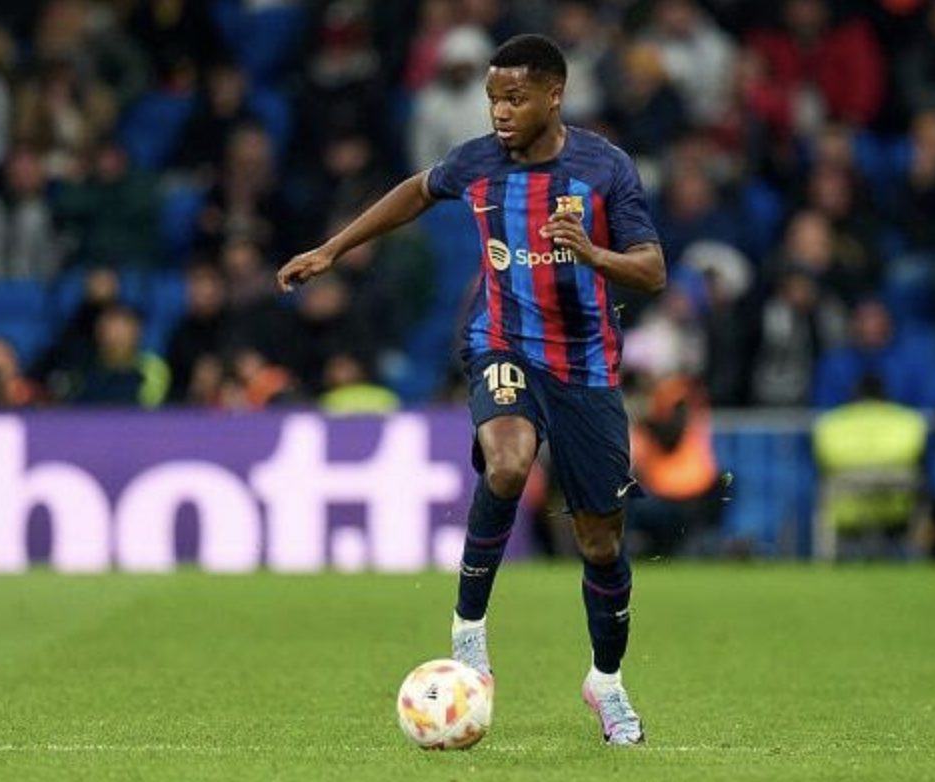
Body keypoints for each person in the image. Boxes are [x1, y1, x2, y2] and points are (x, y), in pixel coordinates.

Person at [277, 34, 665, 746]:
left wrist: (593, 253)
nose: (500, 112)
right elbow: (415, 192)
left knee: (600, 542)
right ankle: (468, 632)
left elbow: (652, 270)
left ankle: (606, 684)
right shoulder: (476, 162)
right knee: (509, 463)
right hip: (500, 340)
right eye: (492, 99)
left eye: (514, 98)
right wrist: (333, 248)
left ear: (554, 95)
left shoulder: (603, 168)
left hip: (584, 366)